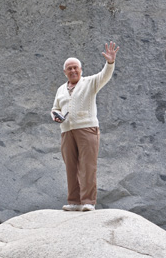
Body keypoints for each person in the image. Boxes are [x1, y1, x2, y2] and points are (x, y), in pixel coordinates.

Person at [51, 41, 119, 211]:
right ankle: (74, 202)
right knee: (71, 167)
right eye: (69, 68)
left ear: (81, 70)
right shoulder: (61, 89)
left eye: (76, 68)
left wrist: (110, 62)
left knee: (88, 166)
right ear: (65, 72)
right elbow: (55, 108)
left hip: (87, 129)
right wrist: (55, 115)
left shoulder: (90, 82)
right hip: (66, 131)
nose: (73, 70)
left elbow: (105, 75)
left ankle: (88, 202)